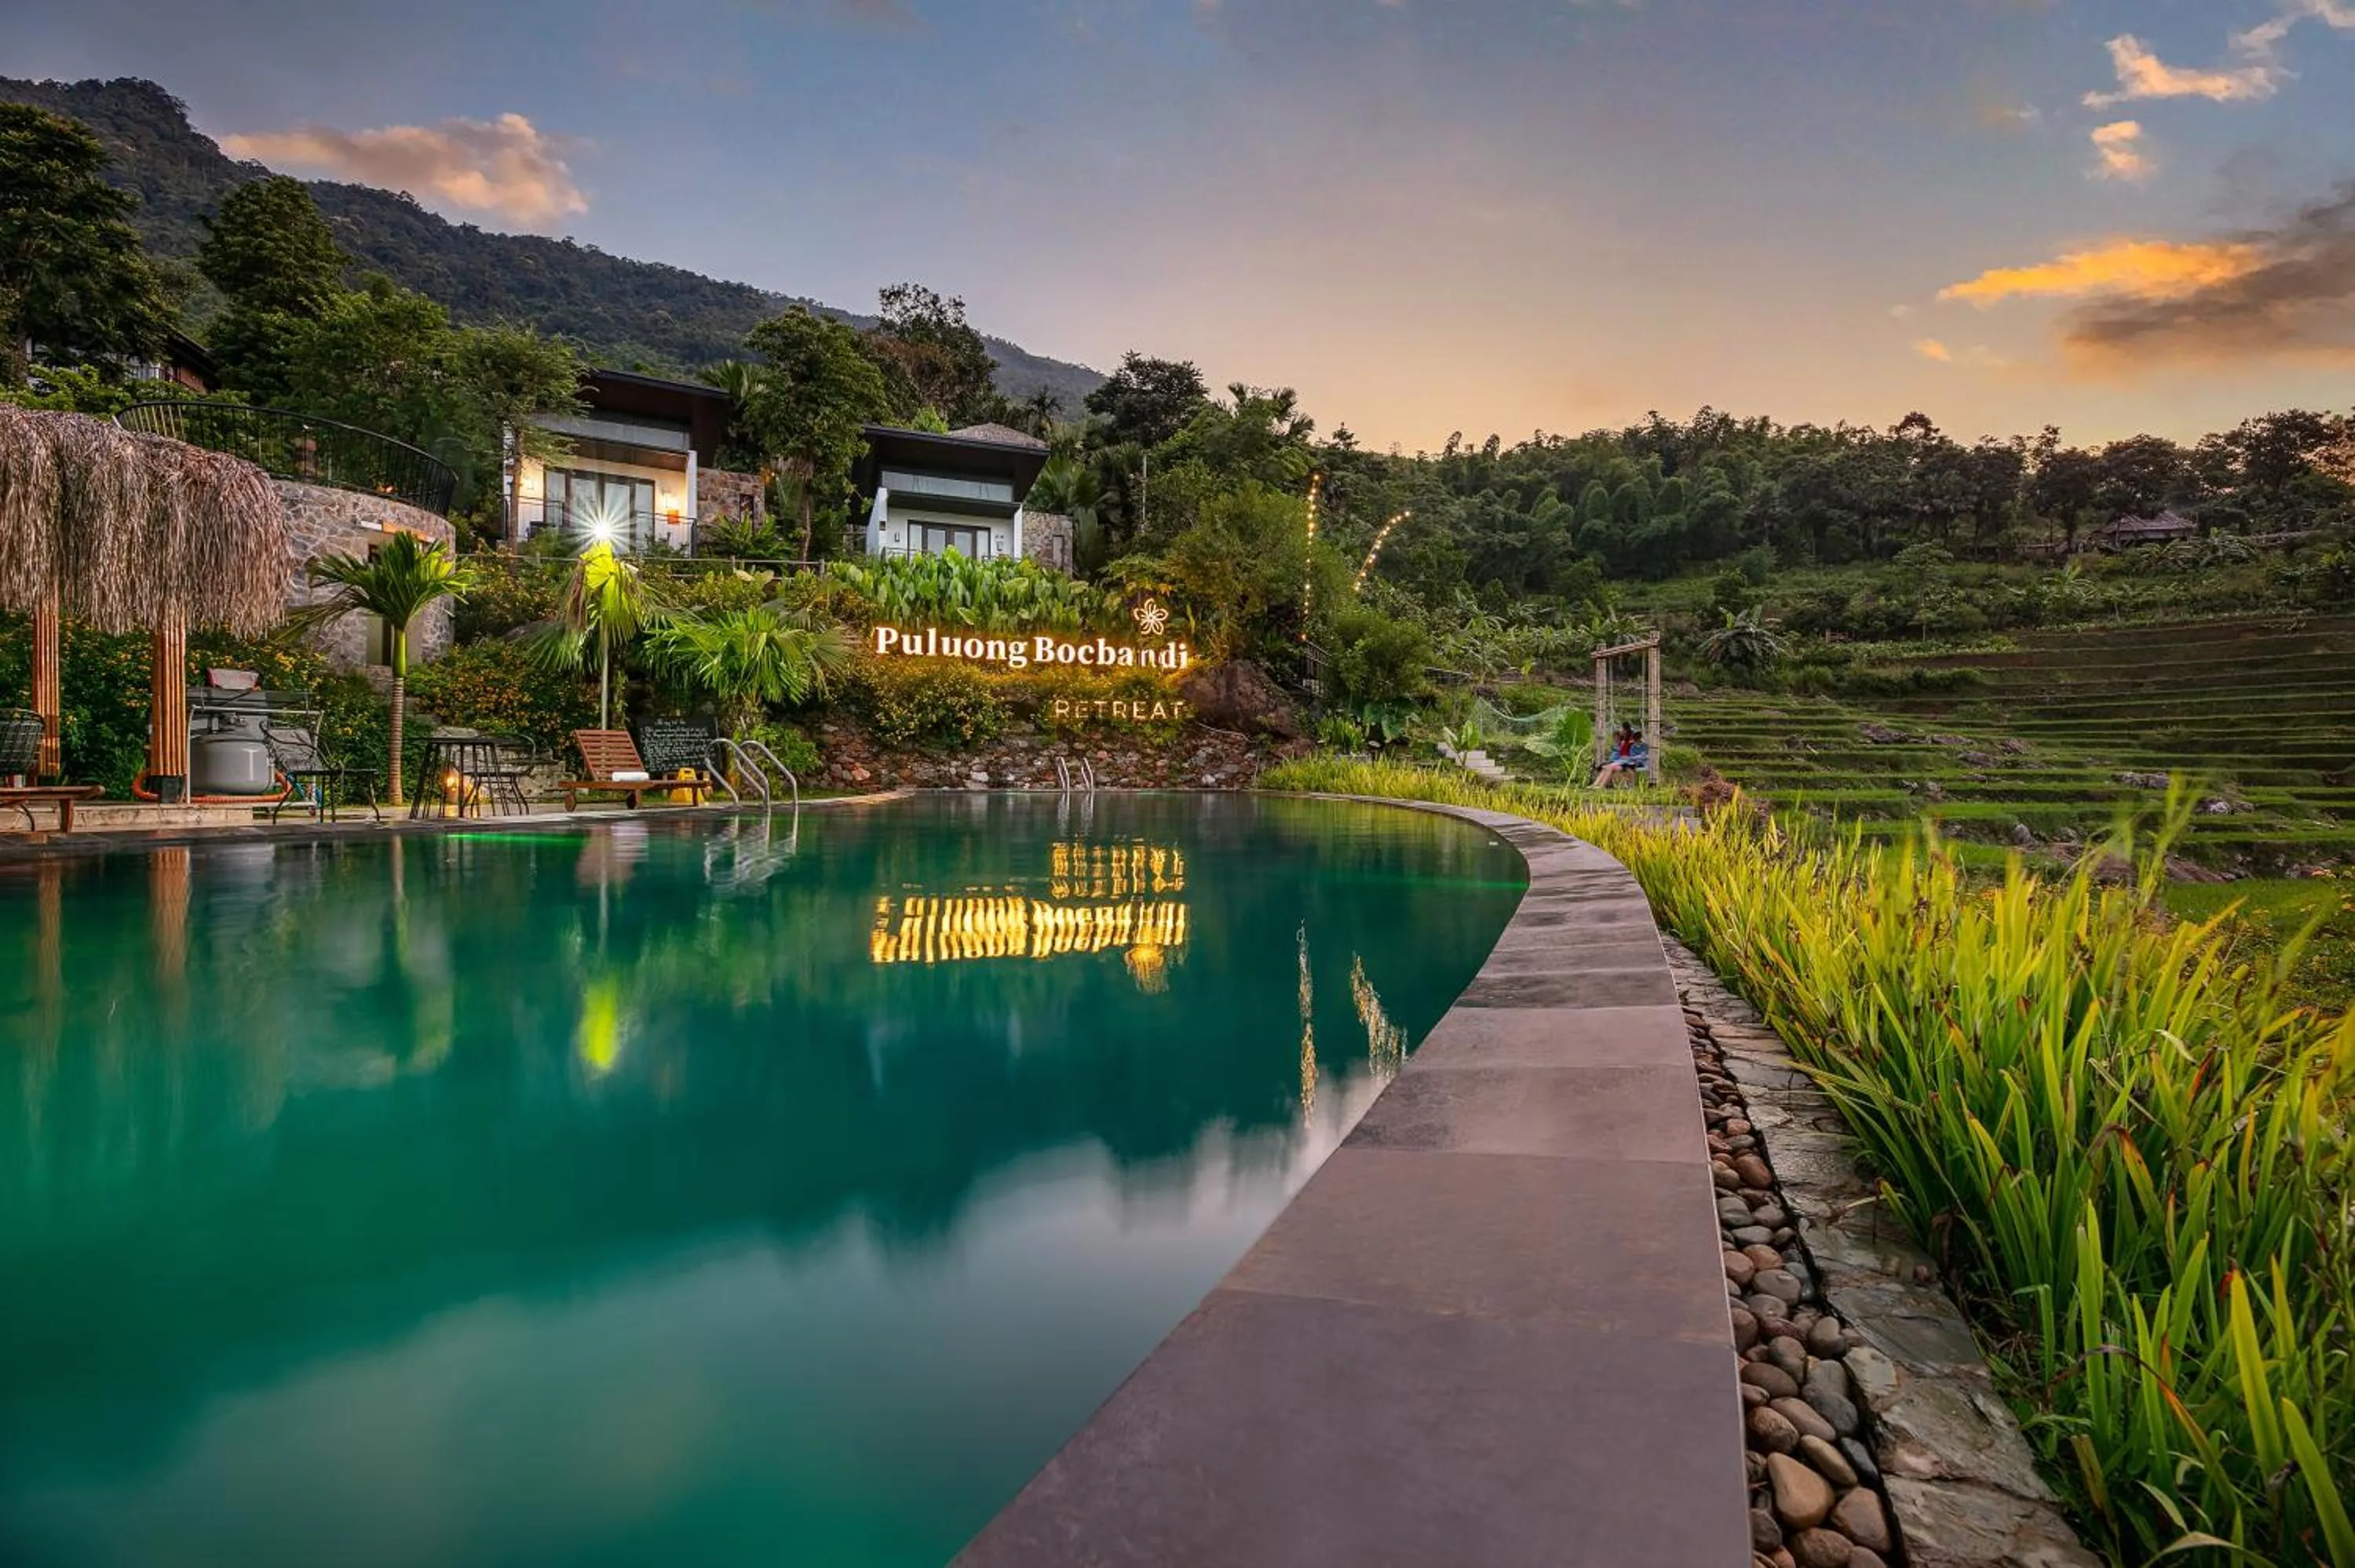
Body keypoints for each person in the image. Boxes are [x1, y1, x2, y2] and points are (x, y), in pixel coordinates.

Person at [1591, 722, 1648, 789]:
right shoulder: (1623, 741)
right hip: (1621, 761)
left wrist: (1630, 758)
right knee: (1606, 767)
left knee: (1609, 767)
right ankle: (1595, 784)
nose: (1620, 730)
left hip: (1627, 762)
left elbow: (1640, 752)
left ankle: (1601, 785)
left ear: (1625, 731)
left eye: (1622, 729)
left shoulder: (1632, 741)